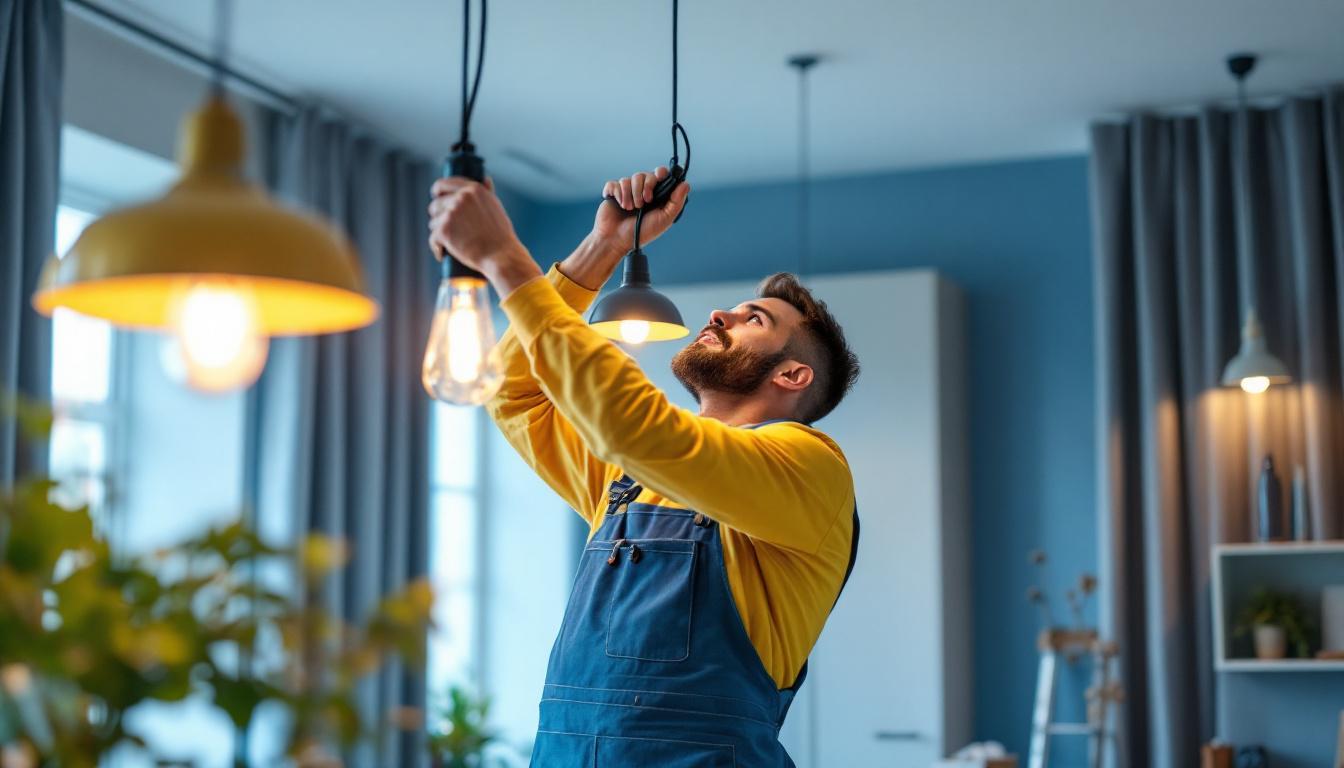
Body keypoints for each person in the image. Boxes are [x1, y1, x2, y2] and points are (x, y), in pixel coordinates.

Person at [427, 166, 860, 767]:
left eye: (752, 319)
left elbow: (637, 431)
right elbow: (517, 394)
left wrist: (504, 258)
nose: (719, 316)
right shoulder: (631, 483)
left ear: (791, 376)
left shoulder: (806, 463)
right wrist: (602, 248)